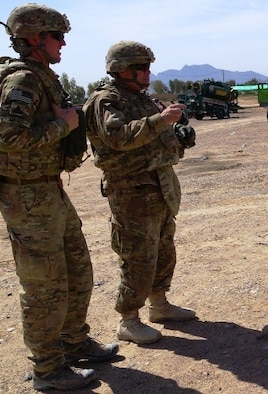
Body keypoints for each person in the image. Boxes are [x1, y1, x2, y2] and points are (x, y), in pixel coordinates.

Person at [0, 4, 119, 391]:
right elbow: (8, 138)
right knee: (44, 285)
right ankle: (48, 370)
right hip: (27, 198)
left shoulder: (40, 76)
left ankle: (73, 342)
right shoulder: (23, 82)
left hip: (46, 189)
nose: (63, 42)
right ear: (34, 38)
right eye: (56, 36)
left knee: (76, 268)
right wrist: (62, 125)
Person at [83, 40, 197, 345]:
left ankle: (159, 305)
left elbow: (154, 136)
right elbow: (118, 136)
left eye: (148, 66)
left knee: (162, 249)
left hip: (159, 186)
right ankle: (128, 320)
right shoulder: (106, 100)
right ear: (121, 69)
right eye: (141, 67)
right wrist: (161, 120)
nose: (148, 73)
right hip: (130, 190)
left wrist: (177, 137)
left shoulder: (140, 98)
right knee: (137, 254)